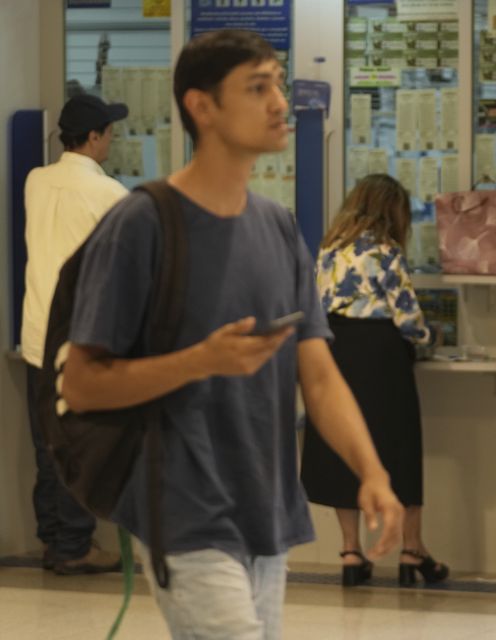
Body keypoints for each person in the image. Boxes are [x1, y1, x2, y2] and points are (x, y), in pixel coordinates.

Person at [60, 30, 403, 639]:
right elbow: (83, 384)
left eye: (277, 83)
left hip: (266, 509)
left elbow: (319, 377)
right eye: (257, 87)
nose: (279, 102)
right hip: (181, 507)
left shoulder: (277, 229)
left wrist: (371, 473)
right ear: (202, 106)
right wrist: (199, 361)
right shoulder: (144, 223)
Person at [300, 173, 449, 588]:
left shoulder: (328, 251)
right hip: (381, 357)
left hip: (333, 350)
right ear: (392, 212)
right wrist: (431, 338)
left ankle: (351, 552)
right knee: (399, 451)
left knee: (341, 450)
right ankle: (411, 550)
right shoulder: (387, 252)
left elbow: (313, 304)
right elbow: (408, 319)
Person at [21, 93, 129, 575]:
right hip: (80, 339)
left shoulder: (36, 182)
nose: (112, 139)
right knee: (78, 443)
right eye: (109, 131)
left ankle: (54, 539)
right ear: (92, 137)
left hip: (36, 335)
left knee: (47, 440)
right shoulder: (110, 194)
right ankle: (73, 547)